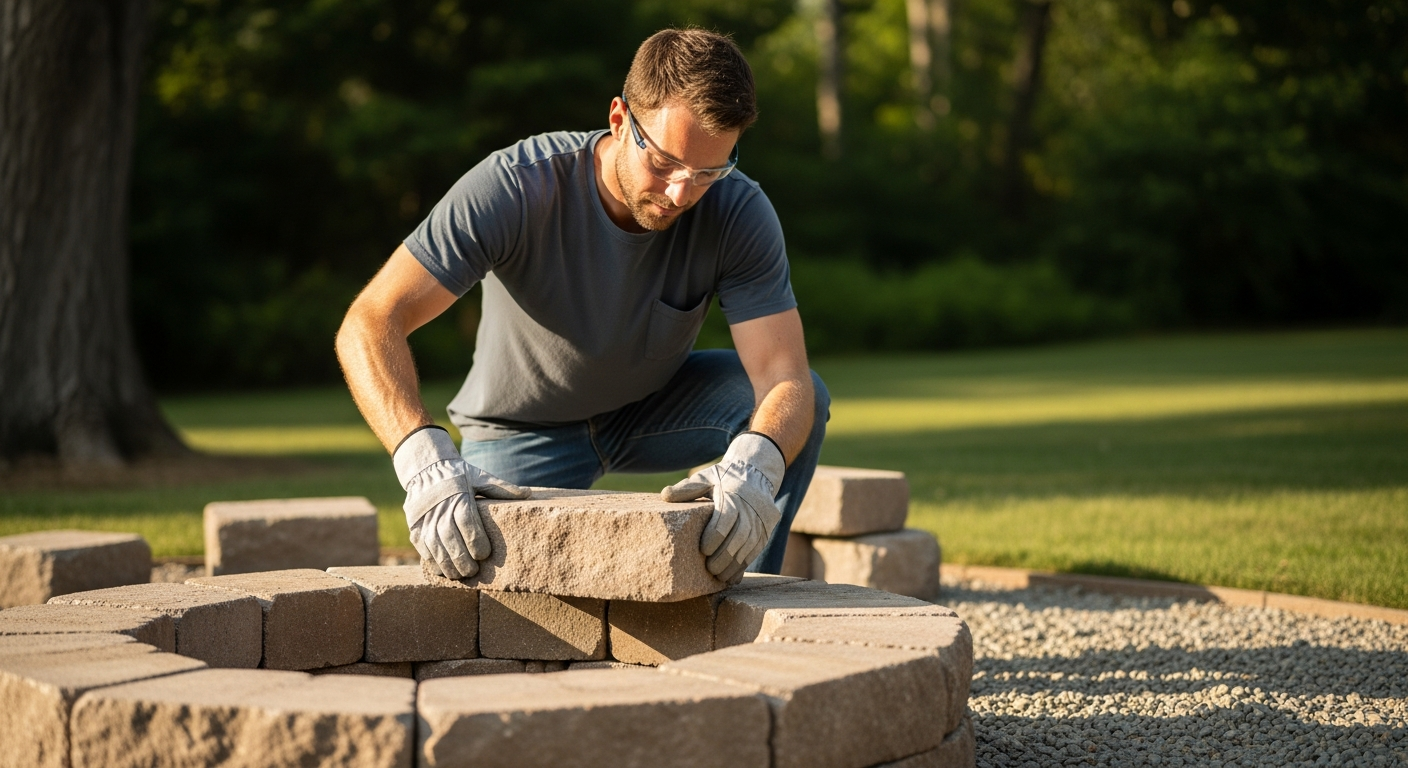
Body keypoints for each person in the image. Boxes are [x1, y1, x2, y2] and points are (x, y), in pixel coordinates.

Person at [336, 28, 829, 585]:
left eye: (709, 172)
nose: (681, 195)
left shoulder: (738, 212)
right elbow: (370, 320)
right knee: (491, 592)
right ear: (620, 120)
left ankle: (739, 606)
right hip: (521, 433)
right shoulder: (516, 188)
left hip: (653, 411)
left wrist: (755, 468)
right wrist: (421, 457)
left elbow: (783, 376)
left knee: (796, 412)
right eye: (665, 164)